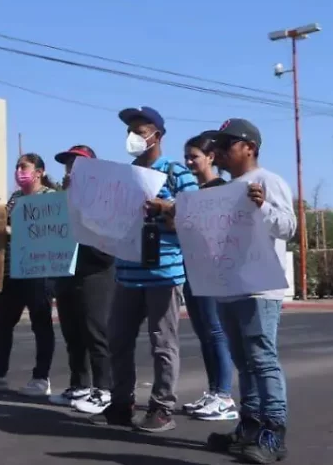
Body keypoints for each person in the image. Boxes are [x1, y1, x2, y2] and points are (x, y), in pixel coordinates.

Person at [94, 106, 197, 433]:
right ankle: (121, 401)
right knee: (118, 339)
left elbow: (198, 215)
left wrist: (167, 207)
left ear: (157, 136)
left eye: (140, 131)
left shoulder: (177, 172)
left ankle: (162, 406)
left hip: (163, 274)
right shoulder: (126, 174)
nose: (133, 137)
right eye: (130, 131)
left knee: (162, 343)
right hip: (127, 272)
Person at [203, 119, 296, 463]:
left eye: (228, 144)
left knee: (262, 359)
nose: (221, 152)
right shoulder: (222, 190)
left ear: (249, 147)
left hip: (259, 288)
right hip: (229, 287)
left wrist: (262, 207)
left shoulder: (268, 181)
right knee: (244, 362)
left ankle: (274, 432)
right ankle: (251, 427)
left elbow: (289, 227)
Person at [0, 153, 60, 397]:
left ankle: (41, 378)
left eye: (24, 166)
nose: (19, 171)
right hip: (13, 272)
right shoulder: (16, 198)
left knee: (40, 324)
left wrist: (14, 231)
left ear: (39, 172)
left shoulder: (50, 198)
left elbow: (48, 232)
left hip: (39, 271)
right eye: (17, 166)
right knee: (1, 321)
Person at [49, 146, 116, 415]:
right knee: (72, 333)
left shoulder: (105, 199)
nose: (71, 170)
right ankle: (80, 385)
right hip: (67, 272)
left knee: (96, 332)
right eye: (68, 165)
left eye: (77, 165)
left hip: (96, 272)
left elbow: (107, 244)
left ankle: (104, 390)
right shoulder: (62, 201)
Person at [179, 134, 238, 421]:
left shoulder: (221, 190)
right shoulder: (191, 193)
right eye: (187, 157)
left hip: (215, 272)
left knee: (216, 332)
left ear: (211, 157)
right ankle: (213, 391)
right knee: (204, 333)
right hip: (192, 269)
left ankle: (225, 397)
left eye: (195, 157)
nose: (190, 162)